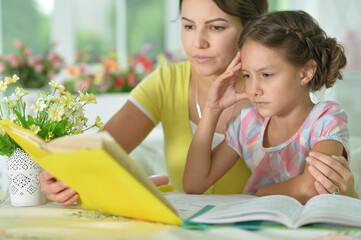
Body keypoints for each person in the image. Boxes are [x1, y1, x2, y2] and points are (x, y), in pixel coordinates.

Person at [39, 2, 357, 206]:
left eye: (216, 27)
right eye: (188, 25)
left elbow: (314, 185)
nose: (197, 42)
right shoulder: (241, 119)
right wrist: (59, 174)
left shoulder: (320, 115)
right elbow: (99, 153)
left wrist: (259, 194)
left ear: (251, 28)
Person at [183, 10, 359, 204]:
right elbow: (194, 184)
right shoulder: (248, 123)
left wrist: (261, 191)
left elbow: (310, 188)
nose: (254, 89)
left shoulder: (326, 119)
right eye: (248, 75)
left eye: (266, 75)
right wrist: (212, 110)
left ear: (305, 73)